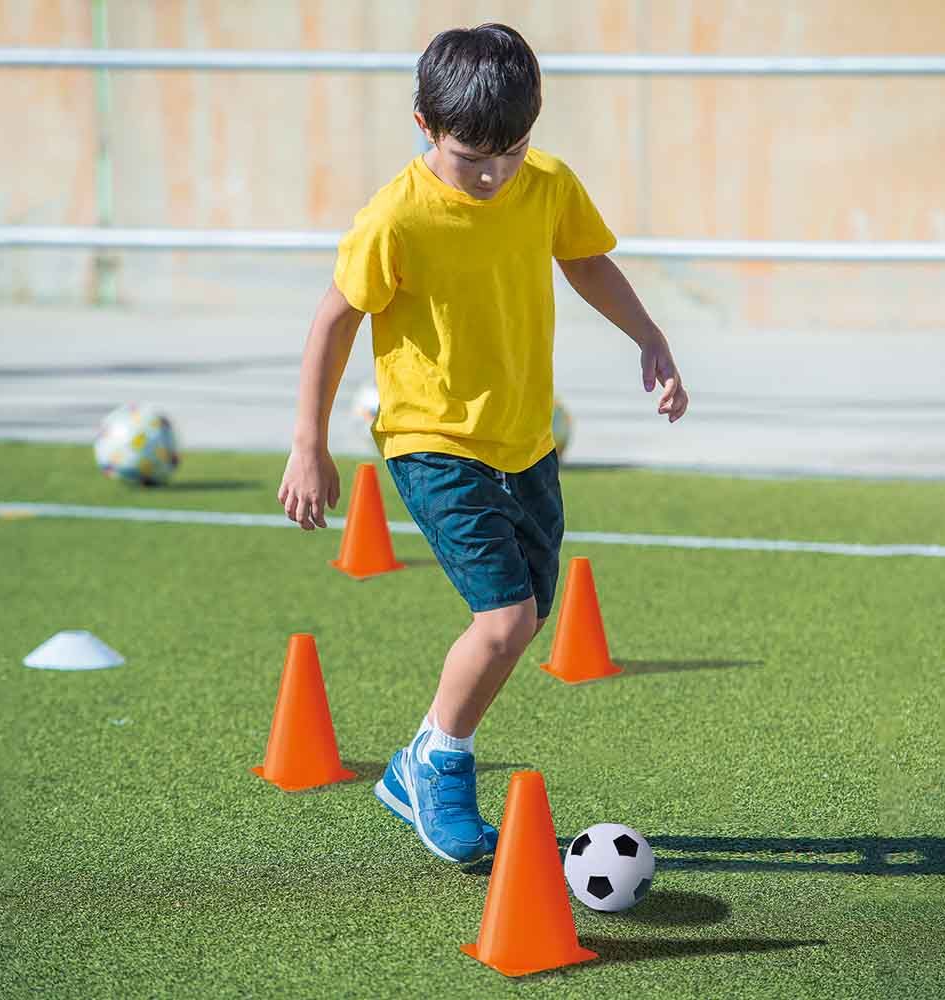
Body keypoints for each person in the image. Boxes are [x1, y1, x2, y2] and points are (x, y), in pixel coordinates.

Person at [278, 22, 689, 863]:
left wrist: (648, 335)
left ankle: (415, 759)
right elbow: (332, 323)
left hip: (525, 440)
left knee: (527, 610)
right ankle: (442, 764)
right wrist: (307, 445)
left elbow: (585, 262)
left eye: (513, 148)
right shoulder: (395, 217)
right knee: (504, 620)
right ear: (425, 126)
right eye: (474, 156)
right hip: (431, 442)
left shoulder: (545, 184)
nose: (495, 171)